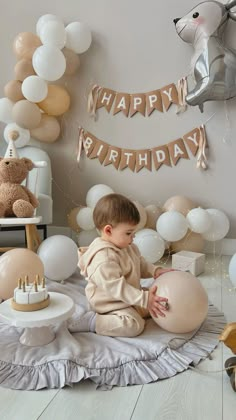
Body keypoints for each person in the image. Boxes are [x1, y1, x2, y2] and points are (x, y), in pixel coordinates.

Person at [69, 193, 172, 337]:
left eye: (134, 232)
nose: (133, 237)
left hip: (128, 295)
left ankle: (138, 305)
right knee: (134, 325)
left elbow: (139, 263)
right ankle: (93, 321)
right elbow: (116, 288)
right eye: (129, 233)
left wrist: (155, 270)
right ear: (109, 230)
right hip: (110, 303)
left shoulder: (127, 246)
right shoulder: (103, 259)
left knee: (160, 303)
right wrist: (143, 299)